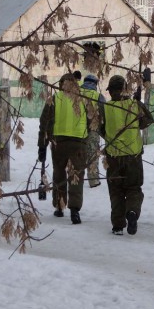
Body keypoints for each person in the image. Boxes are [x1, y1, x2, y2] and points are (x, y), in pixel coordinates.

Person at [101, 75, 154, 235]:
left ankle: (118, 225)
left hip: (113, 156)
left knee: (116, 191)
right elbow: (148, 121)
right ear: (125, 90)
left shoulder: (105, 108)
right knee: (134, 189)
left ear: (111, 91)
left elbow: (100, 129)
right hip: (133, 156)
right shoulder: (134, 105)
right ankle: (132, 213)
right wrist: (138, 106)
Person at [38, 73, 92, 224]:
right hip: (79, 142)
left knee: (59, 173)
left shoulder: (55, 98)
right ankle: (75, 210)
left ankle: (59, 207)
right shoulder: (83, 100)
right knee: (76, 175)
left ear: (61, 83)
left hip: (59, 143)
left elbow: (44, 123)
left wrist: (42, 145)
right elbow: (91, 121)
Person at [81, 74, 106, 188]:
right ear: (95, 84)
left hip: (77, 130)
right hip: (93, 129)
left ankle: (75, 180)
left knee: (78, 156)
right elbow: (104, 112)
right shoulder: (98, 96)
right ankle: (93, 180)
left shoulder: (76, 94)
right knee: (93, 155)